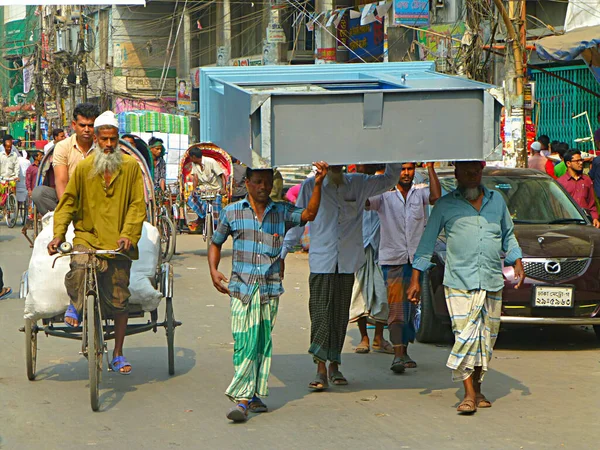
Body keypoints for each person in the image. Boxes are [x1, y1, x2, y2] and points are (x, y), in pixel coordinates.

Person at [209, 162, 329, 422]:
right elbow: (215, 243)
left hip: (270, 289)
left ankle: (253, 395)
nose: (263, 187)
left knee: (262, 342)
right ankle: (241, 399)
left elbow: (309, 214)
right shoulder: (232, 213)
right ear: (248, 184)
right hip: (241, 289)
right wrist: (214, 270)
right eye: (258, 182)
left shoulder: (282, 212)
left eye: (267, 182)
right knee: (244, 342)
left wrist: (318, 183)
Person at [406, 161, 524, 415]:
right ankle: (469, 394)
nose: (472, 175)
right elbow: (427, 243)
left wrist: (517, 259)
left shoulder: (497, 201)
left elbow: (508, 235)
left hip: (491, 281)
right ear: (457, 173)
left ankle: (478, 388)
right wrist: (415, 279)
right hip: (459, 283)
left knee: (485, 340)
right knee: (464, 336)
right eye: (467, 170)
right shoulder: (446, 205)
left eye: (477, 171)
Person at [282, 163, 402, 390]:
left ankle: (334, 365)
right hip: (321, 261)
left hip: (347, 262)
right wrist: (282, 252)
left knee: (338, 315)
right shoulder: (310, 186)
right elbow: (299, 220)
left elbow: (389, 180)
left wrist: (391, 152)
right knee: (320, 314)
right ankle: (320, 368)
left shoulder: (358, 183)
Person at [47, 111, 146, 375]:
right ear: (97, 140)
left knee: (119, 298)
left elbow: (137, 206)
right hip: (87, 237)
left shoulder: (131, 167)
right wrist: (58, 235)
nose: (109, 144)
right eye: (104, 140)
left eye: (113, 139)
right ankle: (76, 303)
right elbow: (67, 203)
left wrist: (128, 234)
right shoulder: (83, 168)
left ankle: (117, 353)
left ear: (118, 140)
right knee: (79, 266)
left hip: (119, 241)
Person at [367, 162, 441, 373]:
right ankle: (398, 355)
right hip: (393, 260)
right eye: (402, 169)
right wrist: (378, 176)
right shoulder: (384, 195)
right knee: (397, 308)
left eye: (409, 169)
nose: (406, 173)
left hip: (417, 260)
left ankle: (404, 350)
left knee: (411, 308)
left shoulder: (420, 193)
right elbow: (364, 202)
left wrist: (432, 168)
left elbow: (436, 197)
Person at [349, 165, 392, 356]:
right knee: (358, 293)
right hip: (358, 247)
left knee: (382, 295)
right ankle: (364, 337)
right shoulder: (351, 185)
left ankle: (379, 338)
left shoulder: (383, 184)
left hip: (381, 247)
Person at [32, 103, 100, 215]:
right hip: (69, 197)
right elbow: (61, 181)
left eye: (91, 126)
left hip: (97, 199)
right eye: (82, 125)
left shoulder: (102, 146)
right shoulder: (63, 146)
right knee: (39, 193)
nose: (87, 130)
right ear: (74, 125)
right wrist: (67, 212)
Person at [187, 147, 227, 230]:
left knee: (216, 208)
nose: (190, 159)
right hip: (203, 188)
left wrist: (223, 188)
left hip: (215, 189)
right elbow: (195, 177)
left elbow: (222, 175)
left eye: (190, 157)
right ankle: (202, 216)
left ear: (193, 157)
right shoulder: (194, 164)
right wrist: (194, 189)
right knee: (192, 197)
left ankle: (217, 227)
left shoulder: (211, 161)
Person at [558, 150, 600, 228]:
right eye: (577, 161)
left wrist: (595, 218)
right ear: (568, 163)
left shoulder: (587, 180)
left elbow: (592, 203)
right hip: (568, 223)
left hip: (586, 222)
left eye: (581, 160)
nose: (581, 163)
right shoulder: (561, 183)